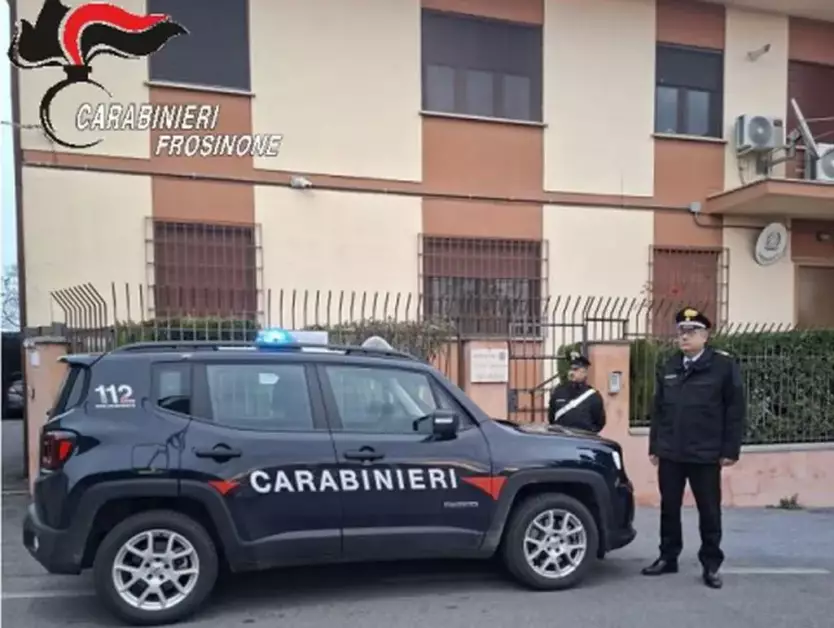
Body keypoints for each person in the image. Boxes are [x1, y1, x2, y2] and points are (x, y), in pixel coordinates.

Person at [641, 307, 746, 589]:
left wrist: (730, 450)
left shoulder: (723, 366)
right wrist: (655, 445)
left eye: (691, 332)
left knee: (709, 511)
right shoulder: (670, 365)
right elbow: (658, 409)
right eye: (681, 332)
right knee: (669, 508)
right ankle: (668, 557)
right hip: (671, 451)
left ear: (705, 335)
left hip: (705, 452)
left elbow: (735, 410)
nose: (684, 337)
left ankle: (711, 564)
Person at [547, 351, 606, 433]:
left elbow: (599, 423)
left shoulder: (593, 396)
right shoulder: (558, 392)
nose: (571, 372)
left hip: (583, 438)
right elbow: (551, 418)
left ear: (585, 373)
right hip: (562, 438)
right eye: (570, 369)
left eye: (576, 369)